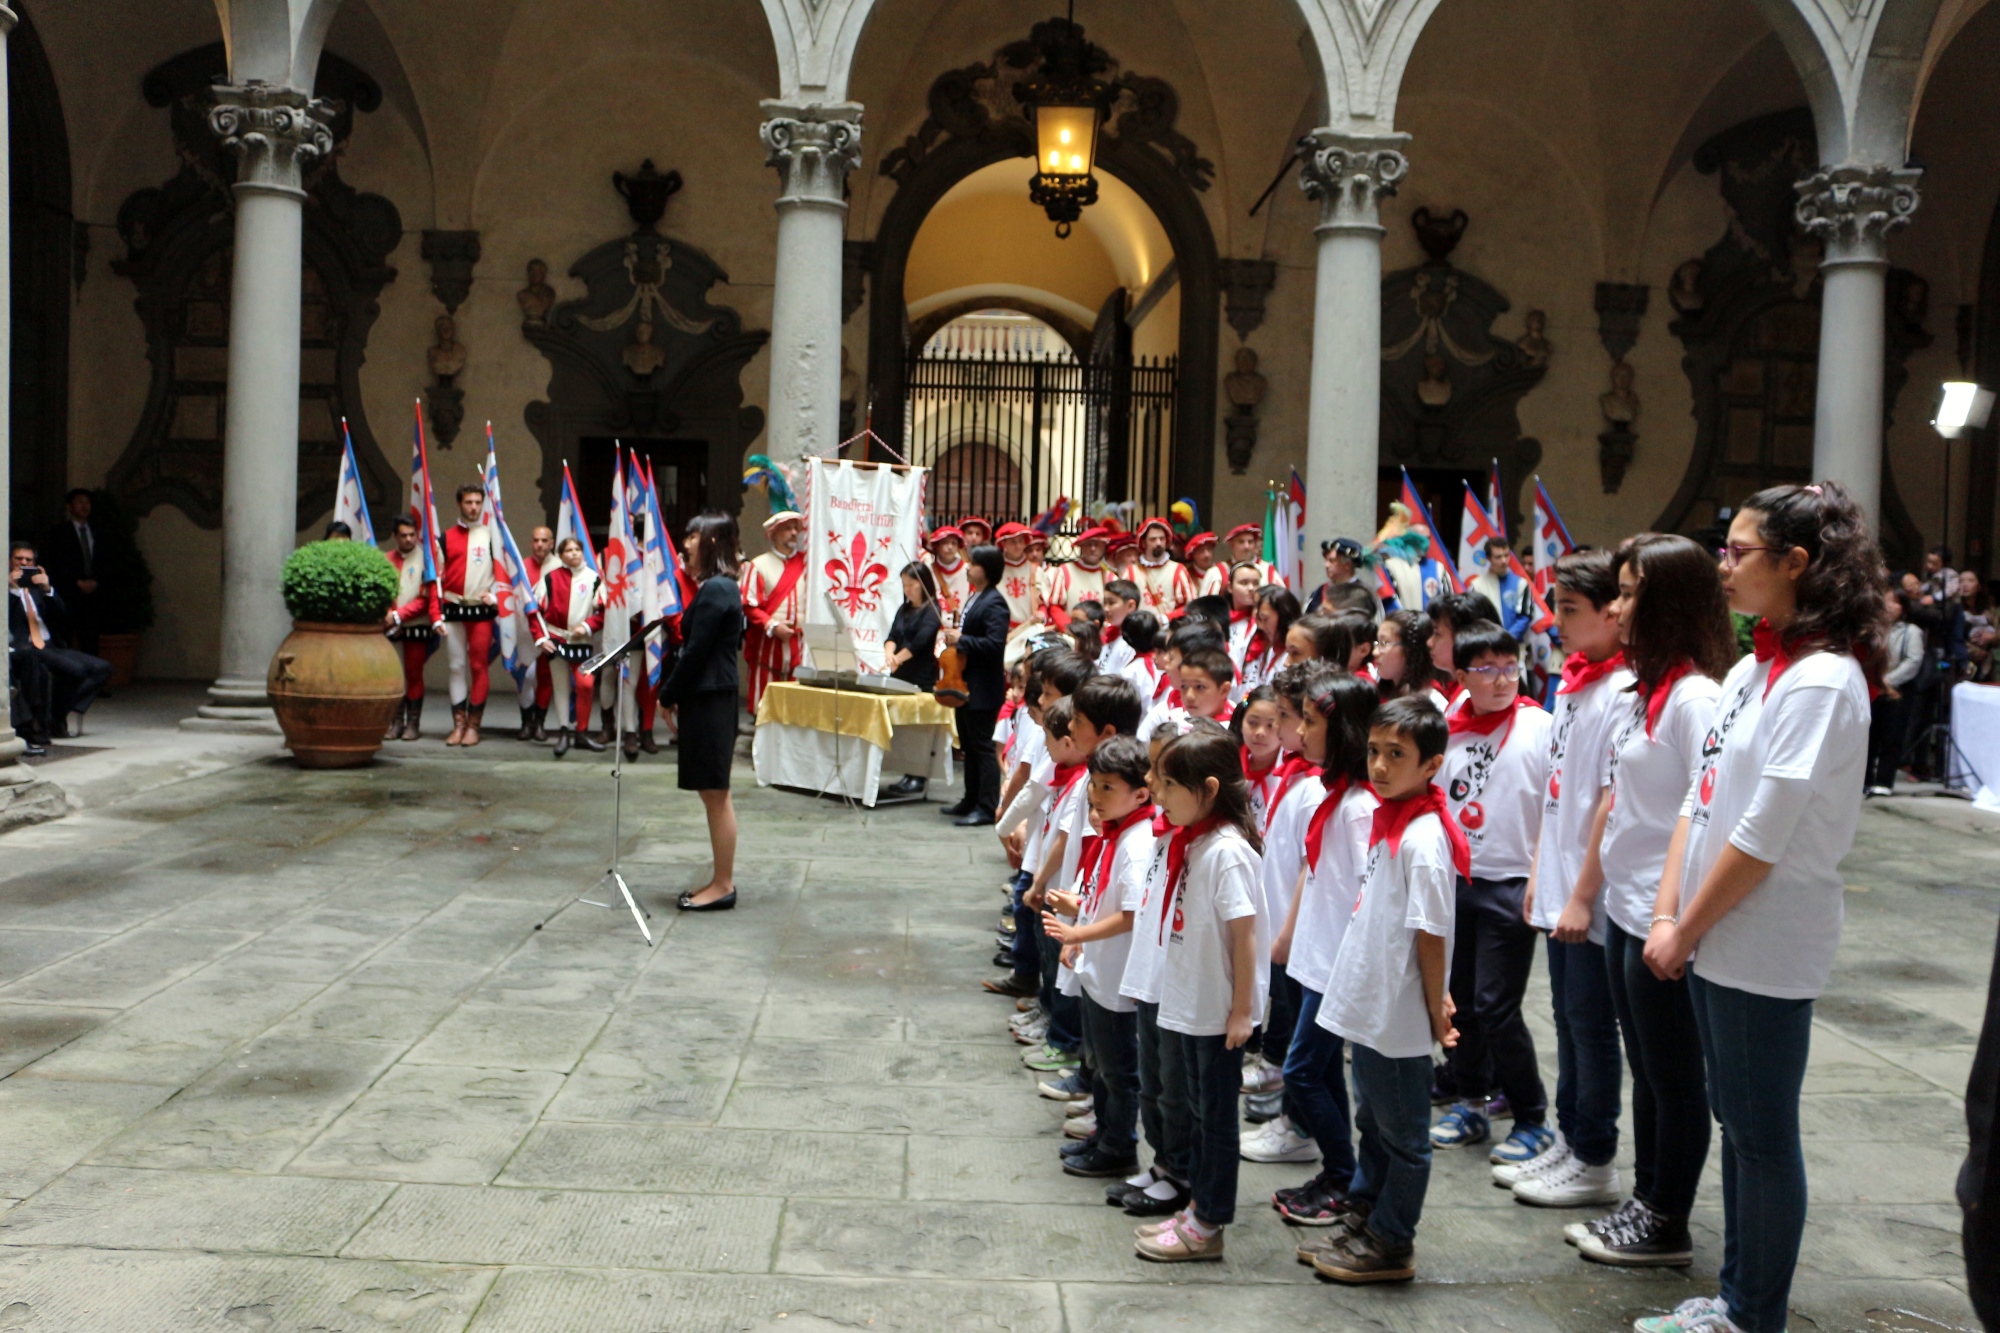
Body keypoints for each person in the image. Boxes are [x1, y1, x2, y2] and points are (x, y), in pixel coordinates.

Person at [1634, 483, 1882, 1333]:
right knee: (1735, 1121)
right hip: (1712, 933)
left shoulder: (1820, 681)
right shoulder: (1751, 668)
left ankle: (1752, 1312)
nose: (1723, 564)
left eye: (1739, 550)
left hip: (1766, 937)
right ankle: (1738, 1294)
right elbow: (1699, 802)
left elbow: (1762, 835)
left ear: (1795, 563)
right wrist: (1668, 916)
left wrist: (1685, 925)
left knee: (1762, 1132)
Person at [1567, 531, 1735, 1269]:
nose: (1620, 605)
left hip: (1662, 917)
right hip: (1628, 909)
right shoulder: (1651, 693)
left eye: (1631, 591)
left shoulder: (1696, 697)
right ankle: (1646, 1198)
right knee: (1648, 1069)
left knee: (1673, 1076)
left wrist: (1678, 918)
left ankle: (1669, 1216)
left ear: (1666, 600)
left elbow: (1709, 808)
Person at [1308, 696, 1466, 1283]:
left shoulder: (1424, 840)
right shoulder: (1390, 819)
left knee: (1405, 1137)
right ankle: (1368, 1213)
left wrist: (1435, 1006)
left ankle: (1394, 1239)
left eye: (1396, 755)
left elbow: (1430, 934)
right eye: (1374, 751)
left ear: (1431, 765)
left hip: (1397, 1014)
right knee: (1372, 1121)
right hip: (1369, 1003)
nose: (1378, 766)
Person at [1512, 549, 1631, 1209]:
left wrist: (1583, 893)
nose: (1555, 620)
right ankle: (1568, 1135)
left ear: (1612, 613)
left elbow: (1612, 801)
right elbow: (1557, 792)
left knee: (1590, 1023)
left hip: (1592, 891)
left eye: (1569, 609)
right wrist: (1539, 870)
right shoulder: (1575, 679)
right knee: (1563, 1015)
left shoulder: (1621, 690)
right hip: (1557, 879)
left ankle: (1596, 1155)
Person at [1132, 726, 1265, 1262]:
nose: (1158, 794)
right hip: (1189, 1001)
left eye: (1168, 785)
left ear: (1208, 788)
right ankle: (1197, 1210)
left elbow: (1245, 935)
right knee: (1195, 1108)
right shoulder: (1194, 842)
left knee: (1215, 1121)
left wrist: (1240, 1012)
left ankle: (1209, 1223)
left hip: (1215, 1010)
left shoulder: (1226, 852)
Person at [1434, 623, 1552, 1163]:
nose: (1503, 679)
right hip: (1457, 881)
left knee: (1496, 1005)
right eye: (1487, 669)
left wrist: (1541, 876)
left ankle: (1530, 1116)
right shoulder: (1448, 729)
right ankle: (1470, 1103)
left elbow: (1558, 808)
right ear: (1461, 677)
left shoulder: (1539, 726)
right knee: (1459, 1003)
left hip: (1511, 883)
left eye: (1510, 666)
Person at [1274, 671, 1377, 1227]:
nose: (1302, 731)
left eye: (1311, 722)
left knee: (1302, 1072)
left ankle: (1343, 1172)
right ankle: (1340, 1173)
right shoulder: (1331, 794)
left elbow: (1367, 893)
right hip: (1316, 957)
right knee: (1321, 1074)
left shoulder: (1359, 807)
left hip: (1339, 963)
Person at [1043, 733, 1158, 1181]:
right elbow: (1102, 895)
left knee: (1117, 1070)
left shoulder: (1136, 841)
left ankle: (1118, 1146)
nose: (1095, 794)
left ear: (1141, 793)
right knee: (1100, 1064)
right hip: (1099, 969)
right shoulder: (1118, 832)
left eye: (1108, 787)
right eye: (1094, 784)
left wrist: (1078, 931)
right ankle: (1103, 1134)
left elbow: (1132, 914)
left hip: (1116, 975)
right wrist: (1078, 925)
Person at [1239, 663, 1334, 1165]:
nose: (1274, 729)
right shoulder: (1294, 775)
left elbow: (1308, 868)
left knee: (1302, 1047)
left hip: (1296, 938)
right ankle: (1292, 1120)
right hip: (1281, 929)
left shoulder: (1315, 785)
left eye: (1283, 718)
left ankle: (1300, 1130)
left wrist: (1286, 933)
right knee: (1293, 1030)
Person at [660, 512, 748, 912]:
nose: (686, 542)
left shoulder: (716, 589)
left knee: (716, 794)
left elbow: (696, 653)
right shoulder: (720, 587)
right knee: (713, 793)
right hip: (709, 695)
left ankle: (723, 885)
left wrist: (667, 693)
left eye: (694, 534)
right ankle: (719, 880)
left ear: (713, 541)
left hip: (710, 698)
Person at [9, 541, 112, 744]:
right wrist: (12, 590)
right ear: (9, 561)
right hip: (25, 648)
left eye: (28, 560)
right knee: (76, 671)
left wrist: (48, 590)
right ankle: (53, 719)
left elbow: (63, 617)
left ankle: (58, 713)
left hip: (49, 645)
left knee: (102, 668)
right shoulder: (5, 590)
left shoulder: (38, 588)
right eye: (18, 559)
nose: (23, 563)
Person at [942, 543, 1010, 826]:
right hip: (965, 683)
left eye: (973, 564)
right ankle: (970, 798)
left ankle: (986, 805)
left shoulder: (995, 602)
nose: (967, 568)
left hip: (983, 686)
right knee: (968, 744)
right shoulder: (975, 598)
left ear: (988, 569)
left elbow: (995, 644)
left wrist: (962, 641)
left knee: (982, 746)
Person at [529, 537, 607, 758]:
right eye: (568, 550)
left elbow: (604, 612)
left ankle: (581, 732)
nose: (573, 553)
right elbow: (533, 611)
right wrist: (540, 638)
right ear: (561, 555)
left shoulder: (594, 580)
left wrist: (587, 626)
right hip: (557, 640)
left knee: (586, 685)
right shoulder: (551, 579)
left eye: (577, 549)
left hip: (582, 643)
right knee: (560, 686)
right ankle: (564, 731)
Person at [438, 483, 499, 746]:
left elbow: (505, 574)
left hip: (480, 610)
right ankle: (458, 725)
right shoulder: (445, 537)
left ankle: (474, 726)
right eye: (468, 502)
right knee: (455, 666)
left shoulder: (492, 536)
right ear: (459, 504)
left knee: (477, 666)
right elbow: (436, 578)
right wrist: (436, 612)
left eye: (477, 502)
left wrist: (495, 595)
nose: (473, 507)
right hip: (452, 608)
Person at [880, 562, 942, 799]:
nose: (907, 589)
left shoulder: (932, 610)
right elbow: (893, 635)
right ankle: (907, 772)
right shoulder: (903, 609)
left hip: (920, 676)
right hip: (900, 674)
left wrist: (898, 658)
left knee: (918, 729)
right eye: (904, 585)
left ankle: (918, 775)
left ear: (923, 583)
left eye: (911, 584)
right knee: (902, 728)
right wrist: (889, 654)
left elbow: (919, 643)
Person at [742, 510, 807, 714]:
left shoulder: (807, 563)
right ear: (774, 534)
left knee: (798, 706)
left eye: (796, 528)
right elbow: (749, 605)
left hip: (801, 644)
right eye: (787, 528)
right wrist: (773, 626)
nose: (793, 533)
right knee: (766, 707)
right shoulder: (758, 565)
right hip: (769, 644)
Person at [381, 518, 440, 742]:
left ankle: (413, 724)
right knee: (394, 677)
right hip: (390, 628)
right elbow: (383, 592)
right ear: (395, 536)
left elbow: (426, 598)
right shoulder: (386, 560)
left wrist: (398, 616)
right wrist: (388, 616)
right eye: (403, 535)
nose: (408, 539)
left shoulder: (426, 560)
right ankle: (396, 722)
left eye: (411, 535)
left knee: (414, 674)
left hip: (416, 626)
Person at [1868, 589, 1924, 795]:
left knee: (1892, 736)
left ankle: (1883, 781)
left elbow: (1913, 660)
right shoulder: (1873, 629)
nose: (1889, 606)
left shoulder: (1911, 631)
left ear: (1903, 607)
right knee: (1869, 735)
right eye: (1886, 601)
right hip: (1873, 687)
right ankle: (1864, 780)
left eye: (1895, 603)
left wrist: (1888, 681)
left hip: (1897, 689)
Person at [42, 488, 105, 657]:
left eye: (87, 502)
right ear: (70, 507)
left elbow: (106, 559)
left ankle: (92, 676)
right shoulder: (60, 532)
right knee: (66, 635)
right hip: (69, 591)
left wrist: (96, 581)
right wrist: (76, 581)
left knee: (91, 638)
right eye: (80, 502)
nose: (84, 506)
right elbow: (57, 561)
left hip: (94, 592)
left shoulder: (99, 531)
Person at [513, 526, 560, 741]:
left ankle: (539, 723)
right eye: (536, 540)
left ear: (552, 543)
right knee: (525, 678)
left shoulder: (561, 567)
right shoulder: (520, 567)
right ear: (531, 543)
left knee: (545, 678)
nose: (540, 544)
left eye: (544, 540)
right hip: (525, 633)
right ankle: (526, 722)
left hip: (551, 633)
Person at [1375, 610, 1447, 709]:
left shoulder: (1433, 703)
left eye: (1384, 643)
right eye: (1377, 642)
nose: (1375, 652)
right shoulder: (1381, 695)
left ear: (1409, 649)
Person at [1046, 527, 1112, 625]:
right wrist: (1068, 628)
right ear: (1080, 546)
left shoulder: (1110, 577)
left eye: (1097, 545)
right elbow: (1055, 607)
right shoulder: (1064, 571)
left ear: (1103, 548)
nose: (1093, 548)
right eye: (1089, 544)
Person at [1131, 518, 1194, 618]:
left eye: (1162, 539)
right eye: (1153, 539)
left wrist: (1167, 619)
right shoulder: (1131, 572)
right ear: (1143, 543)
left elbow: (1190, 606)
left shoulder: (1178, 570)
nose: (1158, 543)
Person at [1305, 537, 1379, 620]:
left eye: (1332, 561)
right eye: (1326, 560)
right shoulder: (1320, 591)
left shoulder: (1362, 595)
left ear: (1347, 565)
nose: (1326, 565)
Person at [1097, 580, 1141, 675]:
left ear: (1130, 606)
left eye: (1111, 603)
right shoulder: (1111, 634)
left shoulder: (1134, 641)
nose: (1106, 608)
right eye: (1104, 603)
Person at [925, 526, 969, 618]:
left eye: (954, 543)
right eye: (945, 543)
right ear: (937, 546)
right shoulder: (929, 570)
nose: (950, 547)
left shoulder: (968, 570)